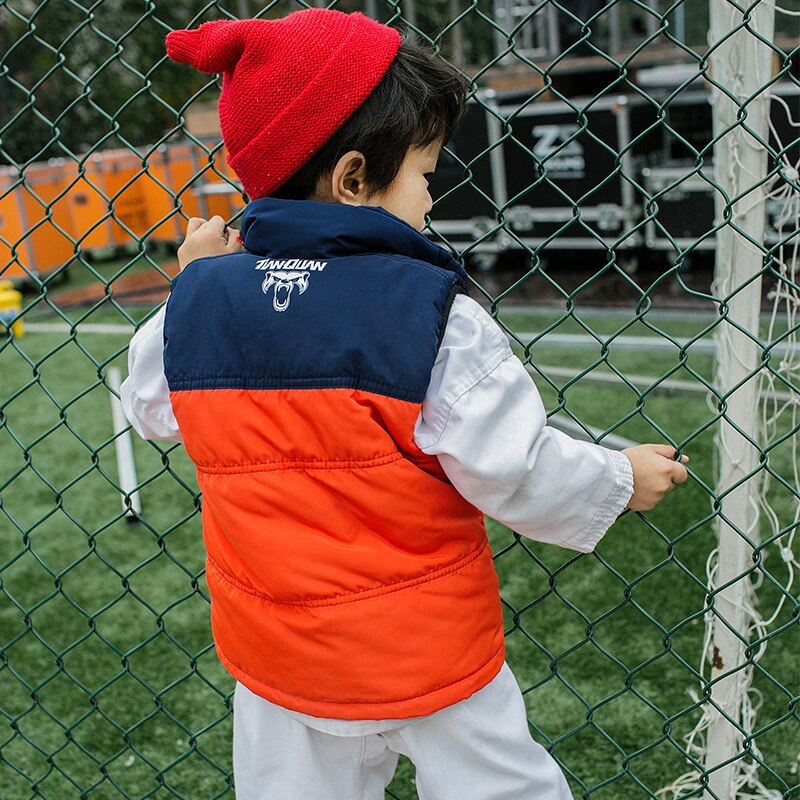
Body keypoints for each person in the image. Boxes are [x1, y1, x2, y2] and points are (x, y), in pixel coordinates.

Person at [121, 9, 688, 799]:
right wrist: (619, 479)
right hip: (425, 655)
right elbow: (511, 467)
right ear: (356, 179)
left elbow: (151, 405)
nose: (428, 197)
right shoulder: (431, 313)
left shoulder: (197, 305)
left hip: (280, 660)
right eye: (424, 175)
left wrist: (196, 282)